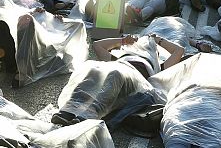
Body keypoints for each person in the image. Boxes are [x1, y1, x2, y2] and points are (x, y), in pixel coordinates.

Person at [51, 31, 186, 125]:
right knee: (94, 70)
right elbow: (97, 45)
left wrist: (158, 40)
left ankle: (89, 114)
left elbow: (179, 51)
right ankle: (69, 110)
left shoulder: (158, 67)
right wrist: (123, 41)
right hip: (117, 70)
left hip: (136, 82)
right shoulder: (121, 58)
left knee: (115, 74)